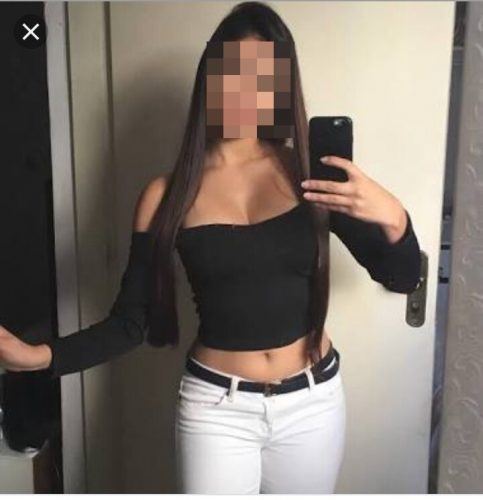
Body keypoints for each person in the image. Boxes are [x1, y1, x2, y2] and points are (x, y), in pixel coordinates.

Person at [0, 1, 422, 494]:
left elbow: (401, 276)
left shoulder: (311, 177)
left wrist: (394, 216)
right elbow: (130, 323)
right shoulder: (166, 196)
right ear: (211, 77)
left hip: (313, 405)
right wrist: (39, 357)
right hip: (217, 411)